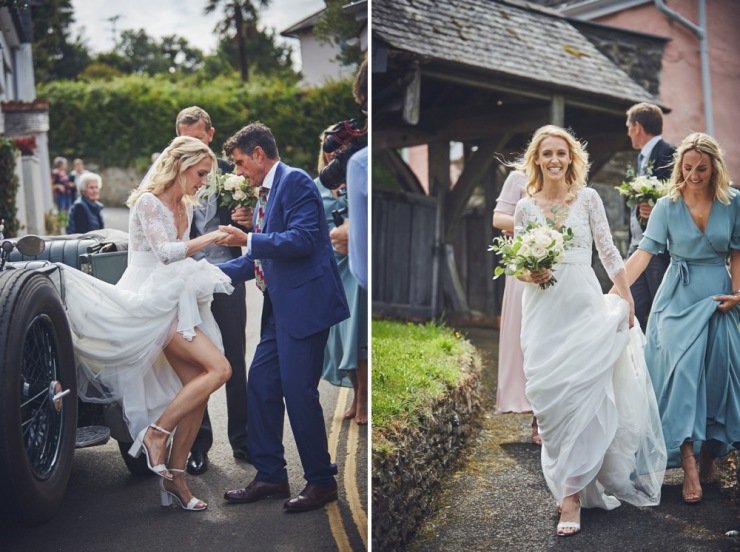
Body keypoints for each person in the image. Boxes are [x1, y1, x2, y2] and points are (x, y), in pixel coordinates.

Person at [60, 136, 233, 511]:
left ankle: (175, 480)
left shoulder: (184, 205)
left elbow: (180, 256)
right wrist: (212, 238)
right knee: (219, 369)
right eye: (201, 173)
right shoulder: (148, 202)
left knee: (197, 391)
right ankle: (156, 434)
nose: (204, 181)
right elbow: (166, 254)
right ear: (182, 167)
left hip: (175, 298)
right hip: (151, 299)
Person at [514, 125, 665, 536]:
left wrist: (626, 297)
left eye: (561, 153)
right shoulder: (525, 207)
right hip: (543, 310)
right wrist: (532, 270)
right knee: (549, 399)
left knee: (582, 394)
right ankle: (572, 481)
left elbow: (608, 248)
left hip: (582, 302)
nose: (555, 160)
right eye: (547, 153)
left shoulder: (589, 198)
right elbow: (519, 268)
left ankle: (571, 497)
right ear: (537, 159)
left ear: (571, 158)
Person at [215, 122, 350, 513]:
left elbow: (305, 239)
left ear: (259, 153)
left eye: (240, 163)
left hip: (306, 306)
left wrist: (248, 240)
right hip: (281, 308)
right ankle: (271, 475)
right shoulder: (266, 191)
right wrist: (204, 275)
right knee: (261, 382)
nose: (238, 171)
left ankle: (321, 482)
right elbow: (259, 258)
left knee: (298, 392)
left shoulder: (296, 183)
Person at [622, 132, 740, 504]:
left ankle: (709, 456)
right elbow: (644, 254)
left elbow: (737, 251)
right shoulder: (666, 206)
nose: (693, 175)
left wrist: (739, 293)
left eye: (701, 169)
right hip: (676, 298)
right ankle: (688, 460)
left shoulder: (734, 202)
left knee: (720, 372)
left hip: (719, 295)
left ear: (714, 168)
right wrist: (616, 292)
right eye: (687, 168)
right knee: (682, 373)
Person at [175, 106, 252, 476]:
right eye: (182, 136)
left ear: (210, 135)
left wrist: (246, 218)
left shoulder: (232, 173)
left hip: (228, 276)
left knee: (234, 358)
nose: (189, 143)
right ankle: (197, 446)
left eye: (195, 136)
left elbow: (254, 213)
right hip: (189, 280)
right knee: (198, 365)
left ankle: (243, 439)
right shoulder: (173, 176)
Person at [316, 128, 368, 425]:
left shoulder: (356, 178)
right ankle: (355, 390)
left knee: (355, 333)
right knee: (337, 335)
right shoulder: (317, 186)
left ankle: (363, 398)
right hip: (330, 263)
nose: (333, 154)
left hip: (354, 262)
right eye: (329, 150)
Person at [492, 170, 539, 444]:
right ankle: (533, 412)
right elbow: (498, 218)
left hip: (558, 262)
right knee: (525, 336)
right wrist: (530, 228)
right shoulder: (518, 178)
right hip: (523, 263)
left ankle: (543, 417)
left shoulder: (568, 178)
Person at [625, 103, 675, 330]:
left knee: (659, 307)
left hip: (657, 249)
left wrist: (656, 207)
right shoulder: (641, 159)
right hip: (636, 246)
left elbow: (678, 195)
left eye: (629, 127)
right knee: (630, 307)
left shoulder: (669, 153)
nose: (628, 133)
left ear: (637, 127)